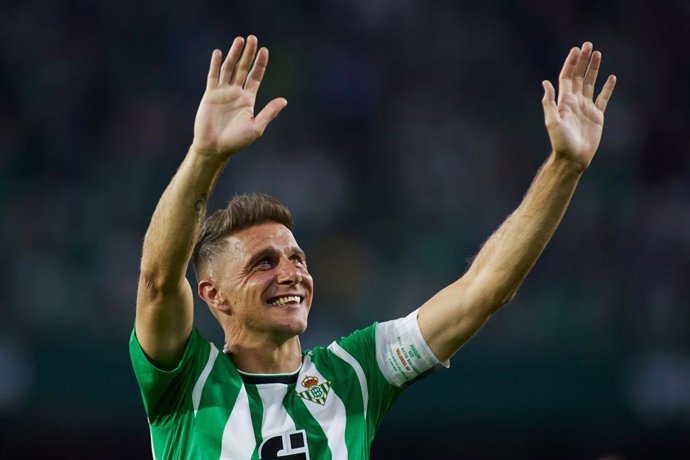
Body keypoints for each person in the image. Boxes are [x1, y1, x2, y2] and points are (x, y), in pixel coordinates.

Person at [129, 35, 616, 459]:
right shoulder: (185, 382)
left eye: (296, 257)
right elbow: (157, 280)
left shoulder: (356, 373)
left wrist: (564, 167)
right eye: (263, 262)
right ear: (213, 295)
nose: (291, 273)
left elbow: (482, 291)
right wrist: (205, 157)